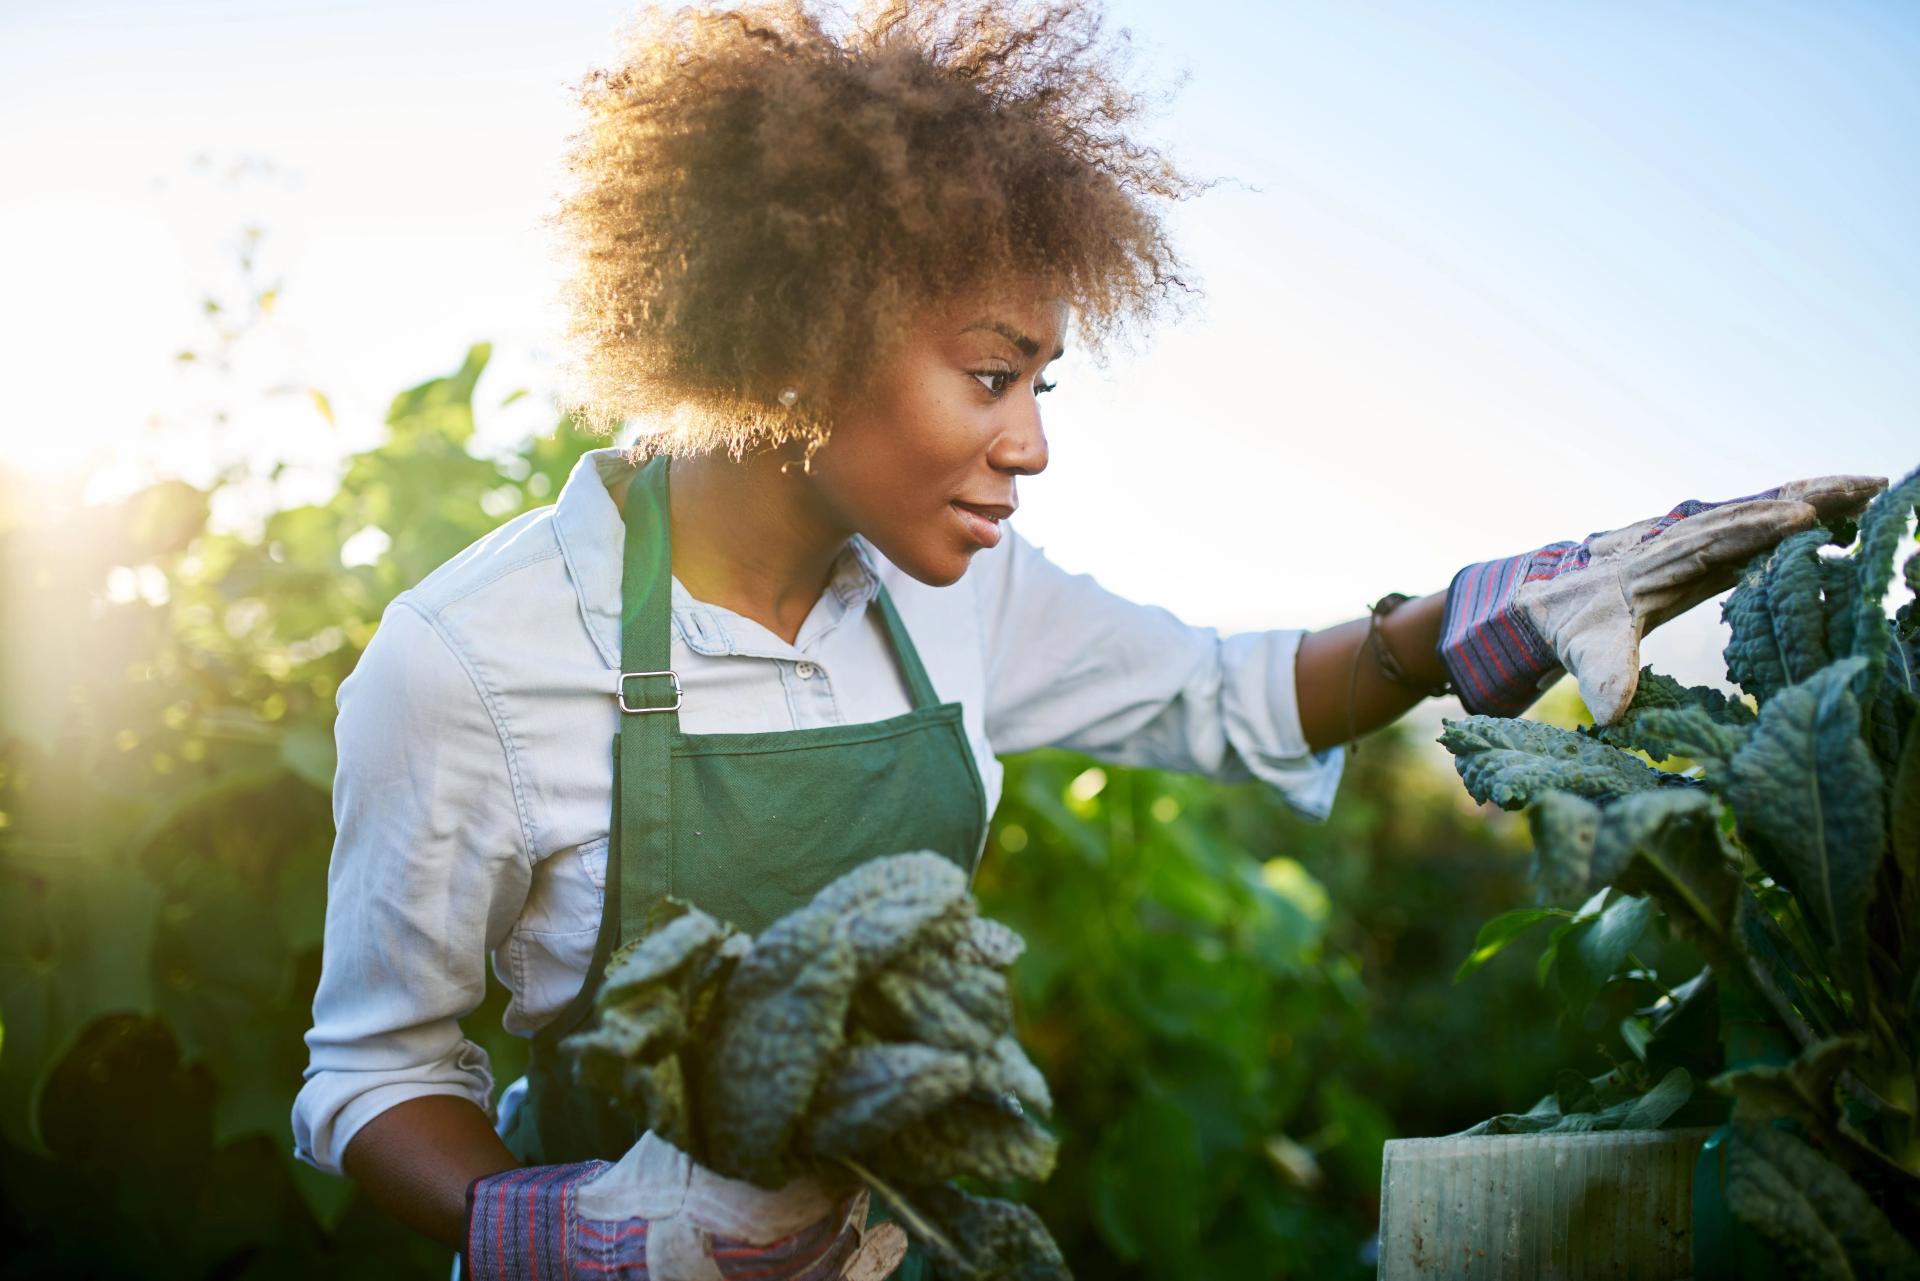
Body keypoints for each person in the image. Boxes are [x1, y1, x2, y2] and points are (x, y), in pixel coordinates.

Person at [289, 3, 1883, 1278]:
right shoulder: (473, 661)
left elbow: (1230, 693)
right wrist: (553, 1234)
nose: (1033, 443)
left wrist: (1489, 613)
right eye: (993, 376)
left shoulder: (962, 592)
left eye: (1044, 381)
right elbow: (372, 1071)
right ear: (797, 329)